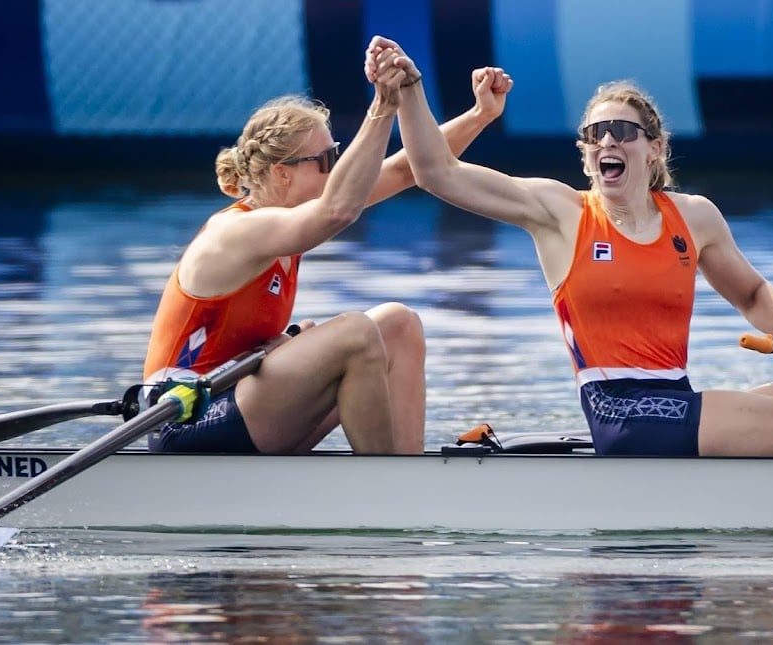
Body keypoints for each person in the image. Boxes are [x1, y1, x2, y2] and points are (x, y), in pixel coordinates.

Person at [365, 35, 773, 458]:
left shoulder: (694, 217)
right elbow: (436, 173)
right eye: (594, 133)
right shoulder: (559, 212)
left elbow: (752, 291)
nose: (606, 140)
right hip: (622, 415)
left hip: (676, 401)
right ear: (586, 152)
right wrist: (412, 92)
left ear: (653, 149)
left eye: (622, 131)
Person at [143, 43, 512, 455]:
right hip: (185, 420)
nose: (338, 169)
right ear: (282, 174)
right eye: (327, 159)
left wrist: (480, 115)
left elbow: (408, 168)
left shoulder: (293, 216)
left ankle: (407, 466)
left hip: (240, 400)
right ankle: (384, 486)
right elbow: (338, 211)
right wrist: (381, 109)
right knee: (355, 332)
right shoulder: (237, 232)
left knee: (398, 323)